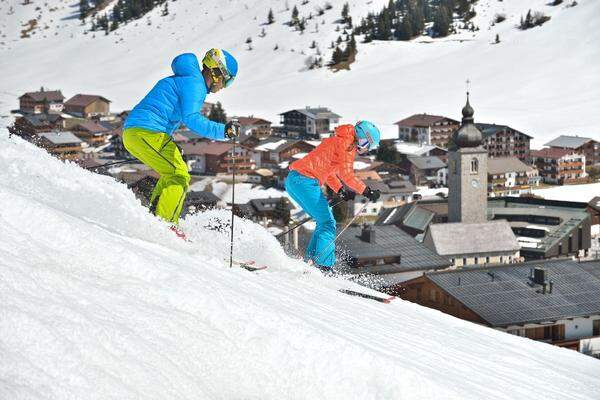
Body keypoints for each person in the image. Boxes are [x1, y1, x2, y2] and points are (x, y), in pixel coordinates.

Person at [122, 49, 240, 235]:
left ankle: (156, 220)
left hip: (138, 132)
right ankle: (166, 226)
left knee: (171, 173)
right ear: (218, 73)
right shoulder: (196, 84)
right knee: (179, 175)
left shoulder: (188, 80)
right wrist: (223, 130)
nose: (225, 86)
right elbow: (191, 119)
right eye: (228, 80)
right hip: (147, 132)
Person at [285, 121, 382, 272]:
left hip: (294, 180)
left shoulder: (339, 140)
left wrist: (340, 189)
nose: (366, 148)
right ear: (363, 137)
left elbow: (328, 171)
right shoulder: (347, 146)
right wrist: (366, 191)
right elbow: (347, 174)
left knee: (324, 221)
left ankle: (311, 262)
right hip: (305, 181)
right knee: (328, 223)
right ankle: (323, 267)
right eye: (367, 144)